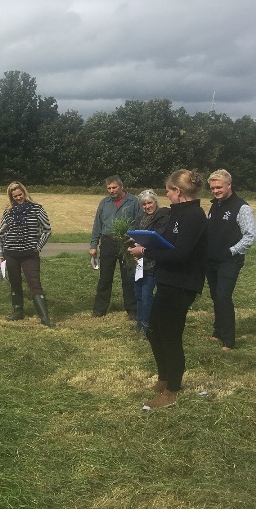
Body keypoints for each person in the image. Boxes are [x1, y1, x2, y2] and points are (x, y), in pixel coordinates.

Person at [128, 170, 208, 410]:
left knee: (171, 337)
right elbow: (169, 243)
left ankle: (172, 391)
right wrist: (146, 242)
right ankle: (164, 379)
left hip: (182, 284)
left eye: (169, 190)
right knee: (154, 332)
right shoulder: (178, 213)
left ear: (179, 192)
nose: (167, 194)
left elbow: (181, 254)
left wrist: (146, 252)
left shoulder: (194, 216)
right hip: (167, 280)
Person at [206, 169, 256, 351]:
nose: (215, 191)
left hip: (230, 260)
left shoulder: (242, 207)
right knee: (215, 296)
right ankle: (218, 330)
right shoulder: (215, 205)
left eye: (219, 187)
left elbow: (250, 236)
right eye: (212, 188)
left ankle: (229, 340)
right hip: (212, 260)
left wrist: (231, 251)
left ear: (229, 185)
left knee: (223, 297)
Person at [0, 181, 54, 328]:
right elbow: (2, 234)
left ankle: (44, 317)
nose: (18, 198)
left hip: (29, 253)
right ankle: (17, 311)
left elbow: (47, 230)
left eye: (20, 195)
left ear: (25, 193)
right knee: (15, 282)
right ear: (11, 197)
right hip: (11, 253)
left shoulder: (37, 209)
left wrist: (38, 247)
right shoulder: (8, 211)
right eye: (15, 196)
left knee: (34, 283)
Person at [90, 175, 141, 318]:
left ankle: (132, 309)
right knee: (105, 278)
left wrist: (137, 238)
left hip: (127, 244)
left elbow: (140, 222)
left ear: (121, 186)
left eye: (114, 187)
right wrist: (93, 244)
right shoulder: (104, 203)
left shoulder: (133, 202)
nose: (111, 190)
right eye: (109, 188)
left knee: (129, 278)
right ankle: (99, 309)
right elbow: (97, 225)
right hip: (108, 243)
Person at [133, 190, 170, 335]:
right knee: (138, 294)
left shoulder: (162, 216)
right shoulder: (140, 218)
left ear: (155, 202)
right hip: (139, 261)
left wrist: (140, 241)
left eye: (149, 203)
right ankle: (139, 324)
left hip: (152, 261)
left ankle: (147, 326)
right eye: (144, 204)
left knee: (147, 295)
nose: (147, 206)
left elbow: (157, 237)